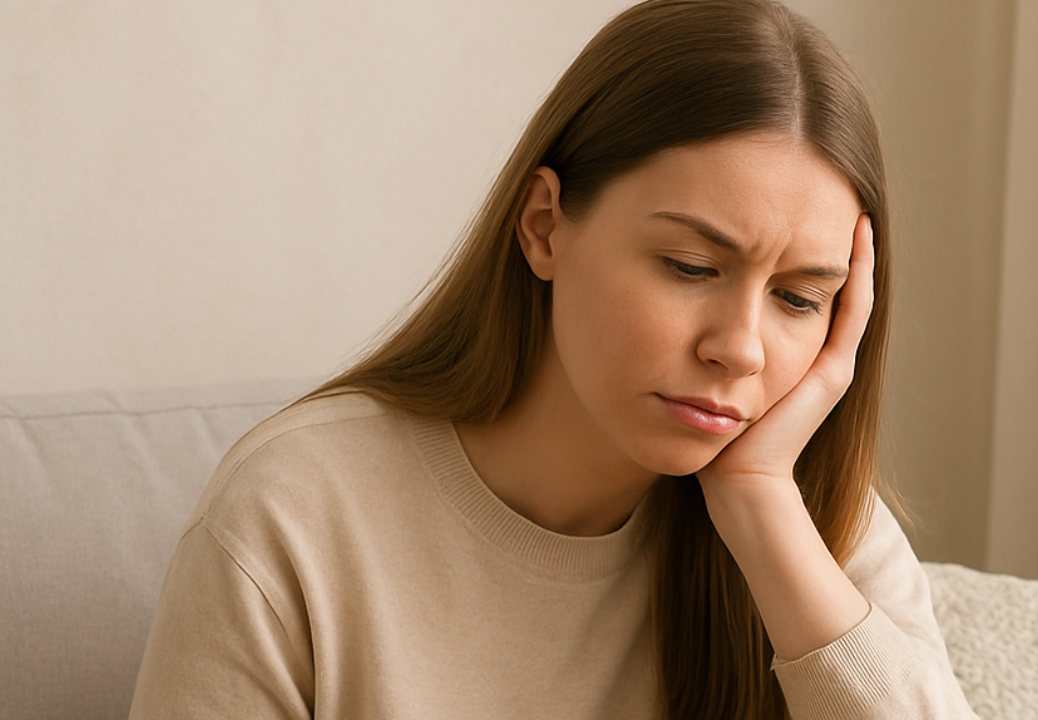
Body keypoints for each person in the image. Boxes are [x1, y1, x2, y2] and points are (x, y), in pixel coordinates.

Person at [129, 0, 978, 718]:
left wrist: (760, 512)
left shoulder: (807, 511)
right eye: (691, 267)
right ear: (544, 225)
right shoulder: (297, 515)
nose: (741, 348)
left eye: (799, 298)